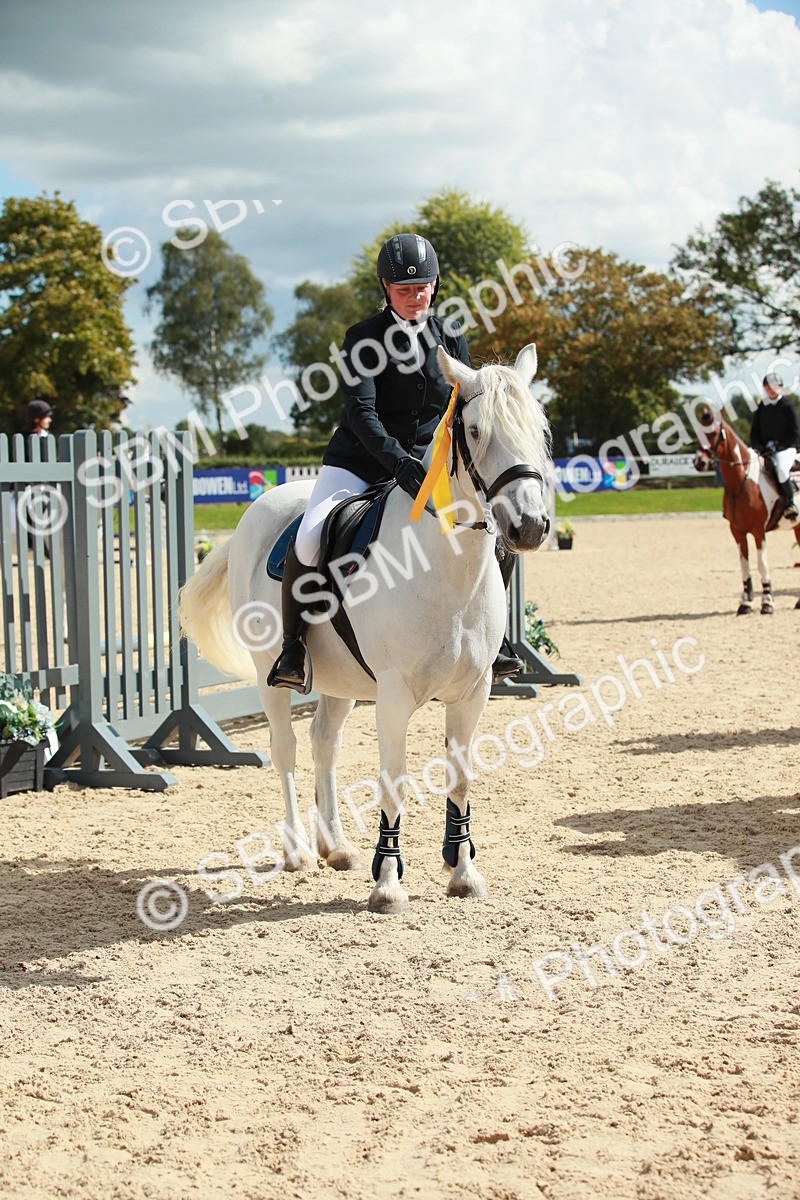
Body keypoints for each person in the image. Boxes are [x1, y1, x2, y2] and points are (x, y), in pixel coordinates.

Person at [268, 232, 524, 693]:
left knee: (494, 532)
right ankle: (293, 647)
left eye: (422, 287)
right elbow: (360, 414)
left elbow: (463, 407)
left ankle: (497, 641)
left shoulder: (450, 336)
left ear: (435, 285)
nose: (414, 297)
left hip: (432, 465)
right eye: (404, 290)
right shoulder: (361, 339)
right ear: (385, 288)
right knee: (309, 539)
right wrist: (399, 464)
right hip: (360, 462)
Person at [750, 373, 799, 521]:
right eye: (768, 387)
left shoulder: (787, 405)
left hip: (786, 448)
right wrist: (758, 447)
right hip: (765, 449)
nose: (771, 390)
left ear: (780, 387)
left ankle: (790, 504)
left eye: (774, 387)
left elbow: (795, 432)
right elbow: (754, 432)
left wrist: (779, 447)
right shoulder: (762, 407)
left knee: (782, 470)